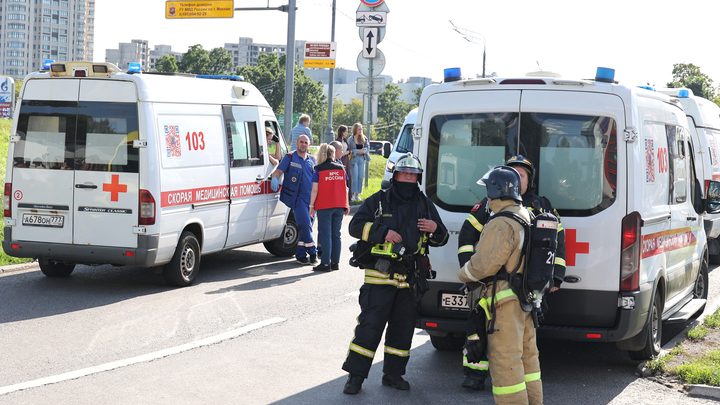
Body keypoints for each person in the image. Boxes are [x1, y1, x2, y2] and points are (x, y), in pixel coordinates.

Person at [342, 153, 448, 395]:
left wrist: (435, 229)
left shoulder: (424, 204)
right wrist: (382, 233)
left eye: (413, 175)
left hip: (410, 280)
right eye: (404, 174)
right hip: (380, 279)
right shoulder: (379, 200)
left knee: (402, 331)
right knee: (369, 329)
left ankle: (393, 375)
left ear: (417, 178)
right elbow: (354, 226)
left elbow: (441, 237)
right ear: (396, 175)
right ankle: (355, 377)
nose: (409, 178)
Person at [457, 155, 566, 391]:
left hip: (519, 287)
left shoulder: (541, 206)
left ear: (529, 180)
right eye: (513, 173)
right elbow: (467, 237)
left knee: (511, 341)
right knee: (478, 328)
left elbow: (556, 242)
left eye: (522, 174)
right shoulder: (488, 206)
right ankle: (474, 373)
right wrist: (471, 274)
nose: (517, 178)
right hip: (487, 285)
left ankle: (510, 383)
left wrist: (555, 275)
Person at [270, 134, 317, 265]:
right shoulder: (290, 157)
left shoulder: (312, 159)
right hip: (298, 199)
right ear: (297, 143)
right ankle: (313, 253)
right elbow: (278, 171)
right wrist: (275, 178)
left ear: (309, 145)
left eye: (306, 143)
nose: (303, 144)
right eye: (301, 142)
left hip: (312, 200)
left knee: (306, 227)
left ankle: (301, 255)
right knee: (305, 225)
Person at [309, 143, 349, 272]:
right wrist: (346, 204)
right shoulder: (341, 168)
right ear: (333, 154)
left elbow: (315, 190)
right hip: (339, 205)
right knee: (336, 234)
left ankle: (325, 263)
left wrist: (311, 206)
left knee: (326, 235)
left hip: (324, 205)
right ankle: (335, 263)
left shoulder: (318, 169)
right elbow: (345, 189)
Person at [347, 123, 370, 201]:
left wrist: (364, 150)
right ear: (355, 130)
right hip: (354, 159)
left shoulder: (364, 138)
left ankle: (358, 194)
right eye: (359, 129)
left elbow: (367, 146)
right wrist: (358, 151)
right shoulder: (350, 139)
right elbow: (349, 150)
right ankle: (352, 194)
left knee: (360, 177)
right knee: (354, 177)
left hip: (362, 159)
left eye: (361, 129)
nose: (360, 131)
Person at [335, 125, 352, 201]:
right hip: (340, 160)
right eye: (346, 131)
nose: (347, 133)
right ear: (342, 132)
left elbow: (349, 149)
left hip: (346, 160)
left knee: (348, 176)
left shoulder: (345, 140)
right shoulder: (338, 140)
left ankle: (348, 196)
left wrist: (347, 153)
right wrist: (344, 153)